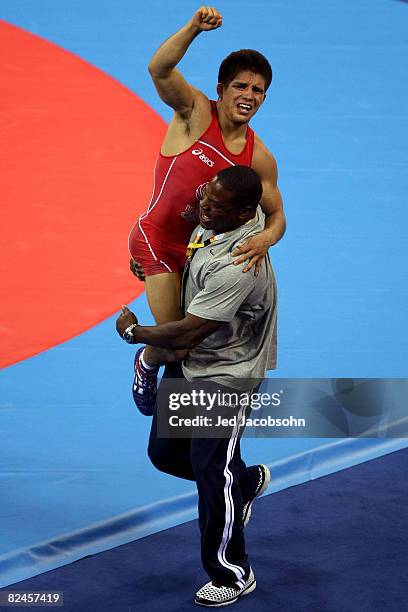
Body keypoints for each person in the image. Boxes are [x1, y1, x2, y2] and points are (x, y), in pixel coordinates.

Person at [117, 165, 277, 607]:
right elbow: (269, 209)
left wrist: (135, 334)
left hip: (226, 377)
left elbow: (187, 333)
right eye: (205, 196)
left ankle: (232, 572)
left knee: (210, 472)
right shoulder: (222, 221)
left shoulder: (237, 264)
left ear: (244, 213)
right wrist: (155, 267)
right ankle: (240, 484)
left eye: (214, 205)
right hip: (194, 366)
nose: (202, 207)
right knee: (166, 454)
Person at [128, 6, 285, 398]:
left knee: (199, 342)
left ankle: (187, 431)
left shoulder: (259, 156)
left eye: (258, 90)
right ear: (221, 89)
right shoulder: (195, 113)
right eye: (240, 86)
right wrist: (194, 29)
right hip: (159, 240)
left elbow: (277, 215)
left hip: (202, 254)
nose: (249, 96)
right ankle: (147, 361)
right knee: (178, 345)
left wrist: (266, 239)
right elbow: (158, 69)